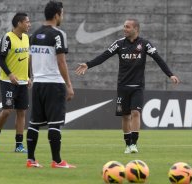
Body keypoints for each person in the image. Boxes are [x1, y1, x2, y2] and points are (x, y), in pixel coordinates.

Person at [75, 18, 180, 154]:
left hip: (138, 87)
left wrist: (170, 74)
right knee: (125, 116)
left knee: (135, 113)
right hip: (123, 87)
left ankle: (134, 144)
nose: (124, 29)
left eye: (127, 27)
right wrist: (88, 64)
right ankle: (127, 144)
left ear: (136, 29)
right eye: (124, 26)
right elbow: (104, 56)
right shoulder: (119, 44)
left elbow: (158, 59)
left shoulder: (145, 44)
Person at [26, 0, 75, 168]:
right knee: (55, 123)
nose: (63, 16)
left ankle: (31, 160)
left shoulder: (34, 34)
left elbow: (30, 58)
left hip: (38, 83)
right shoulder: (58, 34)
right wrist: (68, 84)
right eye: (62, 13)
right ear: (56, 15)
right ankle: (57, 161)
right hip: (54, 83)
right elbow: (61, 61)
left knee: (34, 123)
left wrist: (30, 76)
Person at [0, 12, 31, 153]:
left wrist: (28, 76)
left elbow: (27, 59)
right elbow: (1, 59)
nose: (29, 24)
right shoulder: (7, 38)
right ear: (19, 23)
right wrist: (10, 74)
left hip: (22, 82)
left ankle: (19, 145)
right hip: (8, 81)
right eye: (27, 22)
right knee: (7, 111)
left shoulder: (27, 38)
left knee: (22, 112)